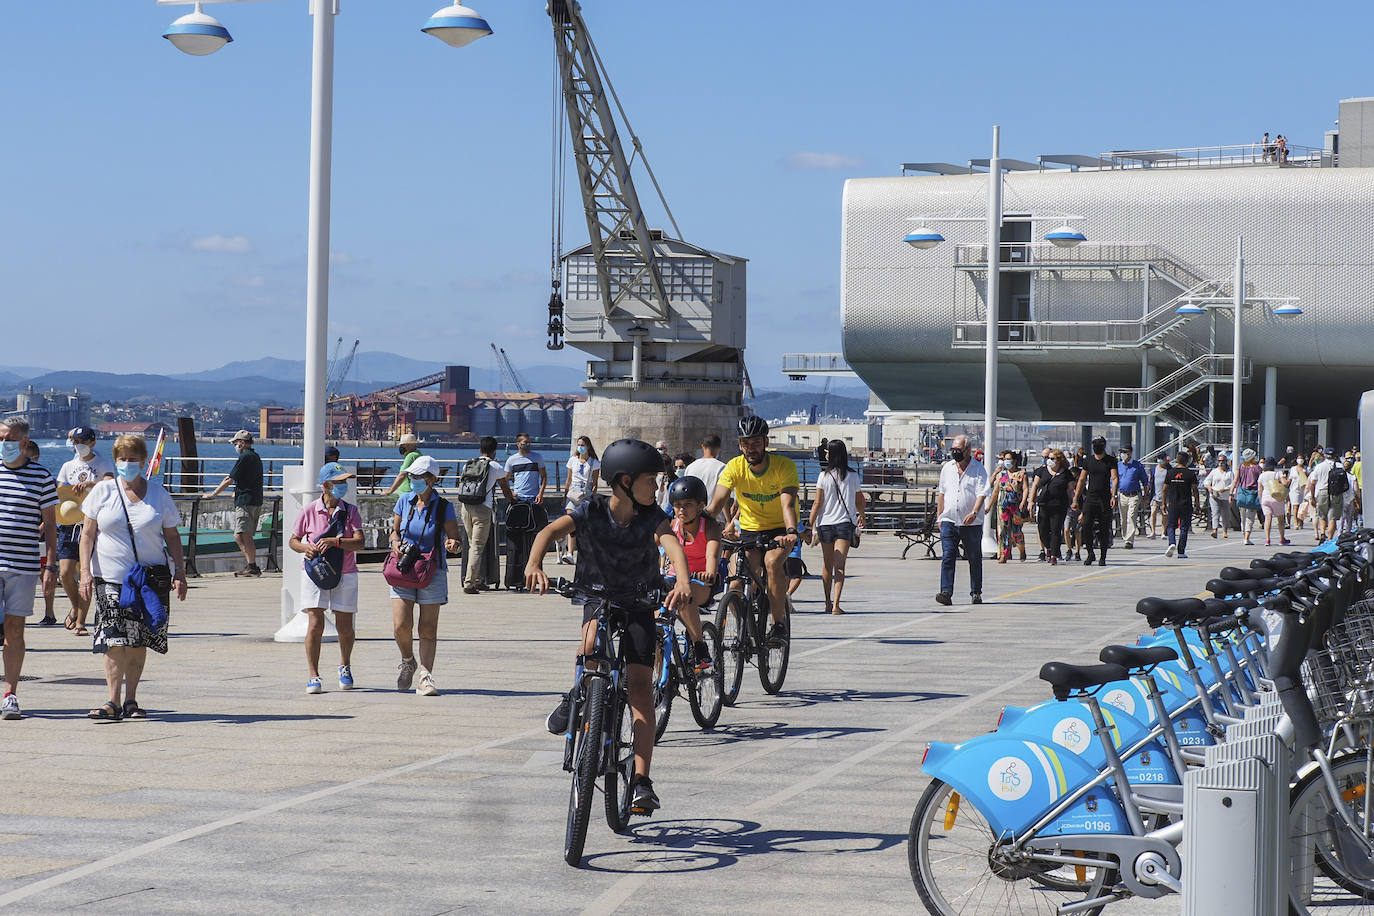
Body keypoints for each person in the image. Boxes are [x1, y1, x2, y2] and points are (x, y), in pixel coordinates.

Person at [529, 438, 694, 817]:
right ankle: (578, 695)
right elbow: (547, 533)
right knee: (589, 646)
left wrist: (682, 580)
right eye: (651, 480)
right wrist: (535, 563)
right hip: (597, 596)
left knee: (639, 687)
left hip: (639, 601)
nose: (657, 487)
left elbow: (672, 545)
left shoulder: (653, 517)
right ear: (624, 481)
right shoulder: (591, 510)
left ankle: (641, 780)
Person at [78, 434, 187, 721]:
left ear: (143, 461)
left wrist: (181, 571)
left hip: (150, 579)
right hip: (110, 578)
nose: (127, 464)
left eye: (132, 459)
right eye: (122, 459)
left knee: (138, 640)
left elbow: (172, 536)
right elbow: (87, 535)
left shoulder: (158, 494)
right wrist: (85, 573)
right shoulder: (102, 492)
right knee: (113, 638)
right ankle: (111, 701)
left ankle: (131, 699)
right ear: (115, 461)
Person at [706, 416, 800, 645]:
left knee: (772, 563)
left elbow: (787, 503)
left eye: (756, 442)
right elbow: (717, 502)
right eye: (745, 443)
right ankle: (742, 630)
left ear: (766, 441)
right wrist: (699, 520)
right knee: (735, 582)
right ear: (739, 445)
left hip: (779, 528)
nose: (751, 448)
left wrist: (791, 531)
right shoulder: (734, 467)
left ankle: (778, 626)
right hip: (750, 529)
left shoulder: (783, 466)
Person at [388, 455, 462, 697]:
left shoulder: (444, 506)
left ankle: (424, 675)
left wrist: (453, 544)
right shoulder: (403, 501)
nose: (413, 480)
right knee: (401, 625)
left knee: (428, 628)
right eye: (411, 476)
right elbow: (394, 533)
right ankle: (407, 659)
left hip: (433, 569)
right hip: (404, 568)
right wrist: (396, 543)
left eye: (417, 476)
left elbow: (455, 539)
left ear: (431, 479)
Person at [0, 419, 58, 720]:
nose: (3, 443)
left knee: (15, 629)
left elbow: (50, 525)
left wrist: (51, 565)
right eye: (0, 438)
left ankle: (10, 693)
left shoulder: (41, 477)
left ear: (24, 441)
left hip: (22, 565)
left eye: (8, 438)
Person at [290, 463, 365, 694]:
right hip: (315, 572)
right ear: (325, 485)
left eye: (345, 482)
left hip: (346, 571)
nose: (343, 486)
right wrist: (306, 548)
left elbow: (360, 542)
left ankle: (345, 665)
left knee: (345, 624)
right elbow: (293, 540)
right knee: (315, 623)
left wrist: (336, 542)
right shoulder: (309, 510)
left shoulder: (350, 511)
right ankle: (313, 674)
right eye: (338, 482)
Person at [54, 426, 114, 634]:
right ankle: (75, 606)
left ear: (92, 443)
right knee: (65, 572)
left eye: (82, 442)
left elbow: (109, 482)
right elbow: (60, 491)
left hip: (92, 523)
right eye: (75, 442)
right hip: (70, 523)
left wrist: (91, 483)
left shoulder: (103, 463)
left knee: (85, 573)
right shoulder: (67, 465)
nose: (78, 446)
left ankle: (80, 621)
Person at [664, 475, 722, 667]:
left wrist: (709, 573)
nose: (682, 509)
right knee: (654, 624)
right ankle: (657, 680)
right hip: (673, 579)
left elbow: (712, 555)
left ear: (700, 506)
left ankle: (699, 646)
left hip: (701, 582)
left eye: (688, 504)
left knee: (684, 596)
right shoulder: (672, 526)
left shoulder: (710, 527)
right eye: (677, 504)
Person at [808, 439, 865, 614]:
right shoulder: (853, 475)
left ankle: (827, 601)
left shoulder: (823, 476)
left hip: (825, 524)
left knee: (827, 565)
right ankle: (836, 605)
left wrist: (809, 524)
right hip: (844, 524)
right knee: (840, 566)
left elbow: (817, 503)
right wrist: (862, 514)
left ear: (831, 455)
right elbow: (859, 500)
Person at [933, 434, 989, 606]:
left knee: (973, 557)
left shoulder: (978, 469)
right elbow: (942, 493)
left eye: (958, 450)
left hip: (971, 523)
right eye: (953, 449)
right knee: (948, 556)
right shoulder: (947, 468)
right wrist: (939, 516)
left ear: (967, 450)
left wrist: (974, 512)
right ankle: (946, 592)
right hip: (949, 519)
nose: (955, 453)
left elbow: (982, 493)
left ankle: (976, 592)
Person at [458, 437, 513, 595]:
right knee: (477, 547)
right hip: (482, 509)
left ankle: (478, 579)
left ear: (480, 449)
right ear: (494, 451)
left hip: (466, 506)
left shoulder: (468, 464)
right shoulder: (496, 466)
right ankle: (469, 583)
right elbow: (505, 489)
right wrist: (513, 500)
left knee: (472, 544)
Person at [206, 430, 264, 577]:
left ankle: (252, 566)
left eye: (236, 443)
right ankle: (251, 564)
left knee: (244, 534)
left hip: (246, 501)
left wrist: (213, 494)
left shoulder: (245, 457)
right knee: (240, 534)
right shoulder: (255, 457)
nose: (235, 446)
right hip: (253, 499)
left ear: (243, 443)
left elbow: (229, 479)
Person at [503, 432, 548, 588]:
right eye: (524, 442)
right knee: (517, 541)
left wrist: (541, 493)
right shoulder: (511, 460)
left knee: (535, 539)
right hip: (519, 501)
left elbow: (544, 477)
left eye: (529, 442)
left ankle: (534, 576)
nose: (527, 444)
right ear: (518, 444)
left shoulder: (537, 457)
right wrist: (511, 494)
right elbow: (505, 479)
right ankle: (516, 578)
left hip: (533, 501)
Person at [1072, 436, 1118, 567]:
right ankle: (1090, 552)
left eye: (1100, 444)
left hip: (1104, 498)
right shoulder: (1089, 461)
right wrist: (1076, 498)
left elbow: (1114, 478)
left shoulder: (1111, 460)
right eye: (1095, 444)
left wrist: (1113, 495)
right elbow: (1081, 479)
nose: (1097, 447)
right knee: (1086, 525)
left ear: (1104, 445)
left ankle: (1103, 557)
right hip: (1091, 498)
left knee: (1104, 528)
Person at [1026, 449, 1072, 566]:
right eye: (1048, 458)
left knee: (1056, 530)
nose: (1049, 461)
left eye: (1052, 459)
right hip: (1043, 504)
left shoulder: (1066, 473)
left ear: (1059, 460)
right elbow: (1035, 486)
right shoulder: (1041, 471)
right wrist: (1031, 501)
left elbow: (1071, 490)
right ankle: (1048, 547)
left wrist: (1074, 502)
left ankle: (1053, 556)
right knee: (1043, 531)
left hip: (1059, 506)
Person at [560, 436, 600, 564]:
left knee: (584, 524)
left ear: (588, 446)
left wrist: (592, 496)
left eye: (582, 445)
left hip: (585, 492)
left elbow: (595, 482)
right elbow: (568, 478)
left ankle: (585, 553)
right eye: (578, 444)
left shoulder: (594, 462)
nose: (580, 447)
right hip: (573, 492)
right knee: (570, 524)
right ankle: (570, 553)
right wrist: (564, 495)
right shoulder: (572, 460)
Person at [991, 451, 1026, 563]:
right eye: (1005, 459)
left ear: (1015, 461)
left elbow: (1025, 489)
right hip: (1002, 506)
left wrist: (1024, 501)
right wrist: (989, 506)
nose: (1006, 461)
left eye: (1008, 459)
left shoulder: (1021, 474)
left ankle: (1022, 550)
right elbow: (996, 491)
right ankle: (1003, 554)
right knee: (1003, 531)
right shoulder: (1002, 475)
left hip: (1016, 506)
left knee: (1016, 532)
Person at [685, 434, 729, 523]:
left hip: (693, 518)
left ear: (702, 446)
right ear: (718, 448)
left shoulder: (690, 467)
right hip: (714, 519)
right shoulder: (722, 467)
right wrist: (729, 520)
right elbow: (723, 496)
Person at [1162, 449, 1197, 559]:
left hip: (1173, 503)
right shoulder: (1190, 473)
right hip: (1186, 504)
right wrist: (1197, 503)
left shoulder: (1170, 472)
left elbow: (1164, 489)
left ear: (1177, 460)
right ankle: (1181, 551)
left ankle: (1171, 542)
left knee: (1171, 526)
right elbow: (1195, 490)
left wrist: (1163, 503)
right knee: (1184, 528)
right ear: (1187, 461)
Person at [1115, 445, 1147, 549]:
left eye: (1125, 452)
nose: (1123, 454)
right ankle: (1125, 537)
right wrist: (1113, 494)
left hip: (1134, 495)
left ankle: (1129, 540)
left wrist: (1146, 494)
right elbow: (1114, 480)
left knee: (1131, 516)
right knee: (1123, 518)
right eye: (1122, 452)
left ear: (1130, 453)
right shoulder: (1118, 465)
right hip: (1122, 495)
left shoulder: (1137, 465)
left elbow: (1145, 480)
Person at [1258, 457, 1291, 547]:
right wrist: (1289, 480)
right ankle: (1281, 539)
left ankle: (1267, 539)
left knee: (1268, 519)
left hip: (1265, 498)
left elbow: (1260, 489)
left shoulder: (1262, 475)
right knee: (1280, 520)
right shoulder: (1277, 474)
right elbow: (1285, 483)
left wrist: (1261, 500)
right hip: (1276, 498)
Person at [1232, 449, 1263, 545]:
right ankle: (1246, 537)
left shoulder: (1241, 467)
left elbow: (1236, 480)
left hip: (1241, 493)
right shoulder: (1257, 468)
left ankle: (1244, 535)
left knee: (1243, 516)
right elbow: (1260, 481)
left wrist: (1231, 492)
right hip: (1252, 494)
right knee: (1250, 516)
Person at [1203, 454, 1235, 539]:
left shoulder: (1230, 473)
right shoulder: (1214, 471)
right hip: (1215, 495)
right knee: (1215, 513)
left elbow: (1233, 483)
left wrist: (1226, 489)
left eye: (1223, 461)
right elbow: (1206, 481)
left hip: (1225, 496)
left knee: (1225, 514)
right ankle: (1215, 530)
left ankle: (1225, 531)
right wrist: (1209, 487)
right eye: (1219, 461)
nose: (1221, 463)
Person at [1149, 456, 1169, 538]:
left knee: (1165, 514)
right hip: (1155, 495)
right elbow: (1150, 480)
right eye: (1159, 458)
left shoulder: (1169, 469)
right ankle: (1153, 532)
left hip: (1165, 496)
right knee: (1153, 512)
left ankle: (1163, 532)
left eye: (1161, 458)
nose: (1160, 460)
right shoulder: (1154, 469)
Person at [1288, 453, 1309, 531]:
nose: (1300, 460)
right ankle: (1295, 522)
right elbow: (1290, 479)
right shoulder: (1293, 469)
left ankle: (1301, 521)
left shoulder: (1306, 469)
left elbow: (1309, 479)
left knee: (1302, 507)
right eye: (1299, 458)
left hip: (1303, 490)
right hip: (1294, 489)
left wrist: (1305, 473)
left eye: (1301, 458)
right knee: (1295, 506)